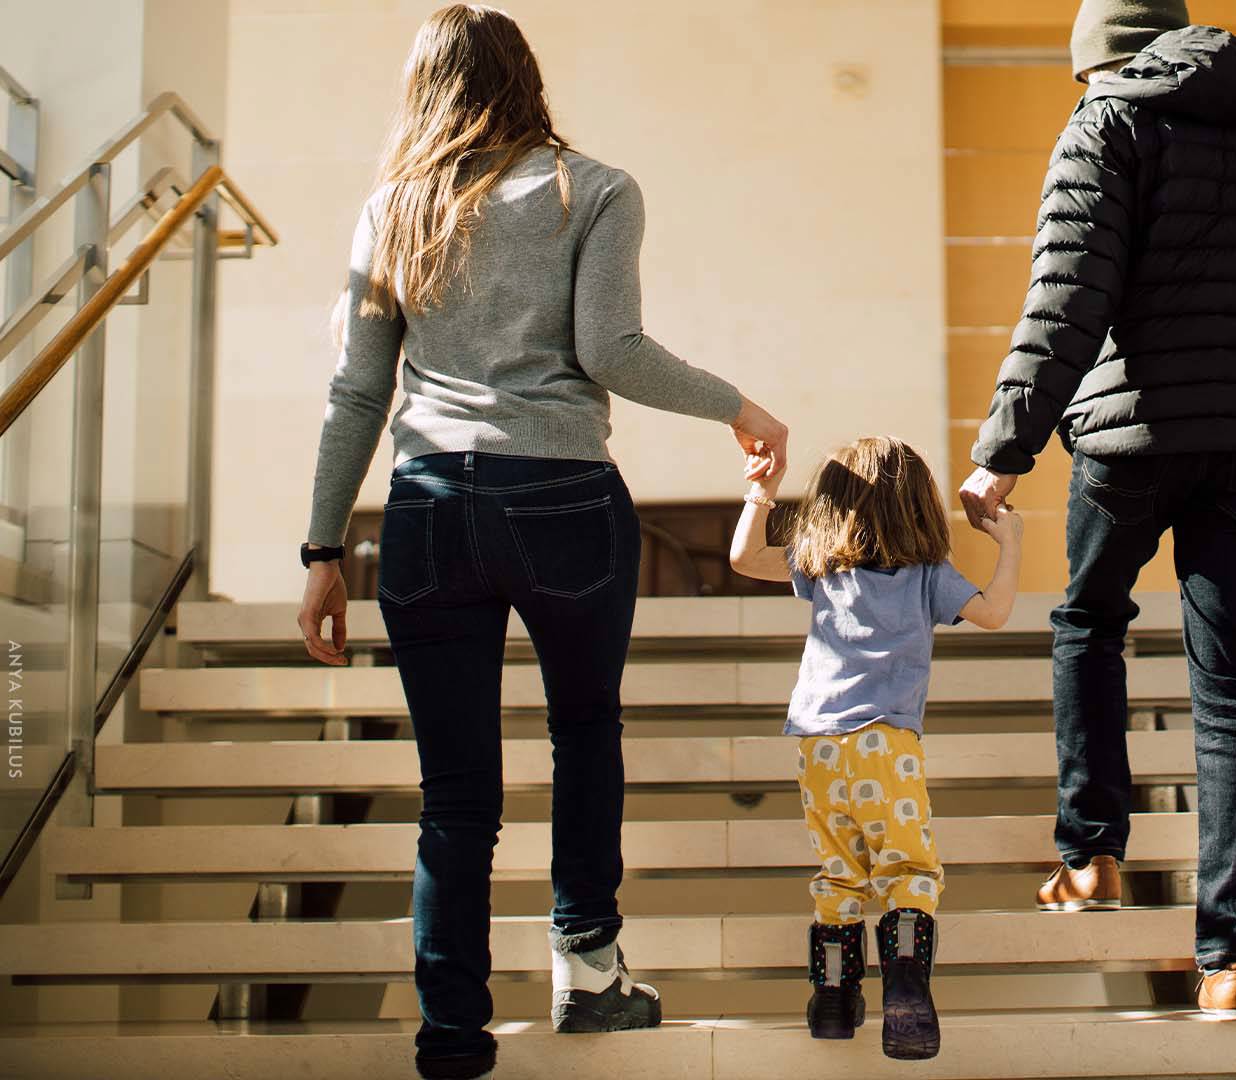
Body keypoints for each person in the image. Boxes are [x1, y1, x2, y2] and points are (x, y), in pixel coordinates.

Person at [293, 7, 789, 1079]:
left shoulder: (394, 212)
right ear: (527, 79)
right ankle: (589, 973)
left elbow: (357, 393)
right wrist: (737, 407)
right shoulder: (593, 188)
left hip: (424, 508)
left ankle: (452, 1035)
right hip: (561, 497)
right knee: (585, 733)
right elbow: (609, 350)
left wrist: (321, 551)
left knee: (453, 797)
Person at [956, 0, 1236, 1015]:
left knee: (1089, 622)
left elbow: (1068, 297)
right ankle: (1233, 961)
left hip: (1130, 439)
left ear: (1099, 56)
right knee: (1231, 688)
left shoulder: (1106, 122)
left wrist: (1000, 453)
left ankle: (1092, 854)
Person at [729, 436, 1023, 1060]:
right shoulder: (927, 575)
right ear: (918, 506)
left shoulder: (819, 563)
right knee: (907, 869)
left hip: (816, 747)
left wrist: (762, 488)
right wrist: (1011, 543)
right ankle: (906, 994)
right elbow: (995, 613)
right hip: (886, 745)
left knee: (839, 871)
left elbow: (744, 557)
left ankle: (833, 1000)